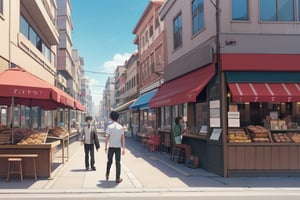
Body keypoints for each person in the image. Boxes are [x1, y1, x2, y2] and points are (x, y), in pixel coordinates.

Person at [105, 111, 125, 183]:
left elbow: (106, 137)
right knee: (118, 162)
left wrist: (105, 147)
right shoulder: (121, 127)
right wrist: (124, 148)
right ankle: (117, 178)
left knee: (109, 161)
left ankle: (107, 173)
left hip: (111, 147)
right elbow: (123, 138)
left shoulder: (109, 127)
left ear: (111, 117)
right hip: (118, 148)